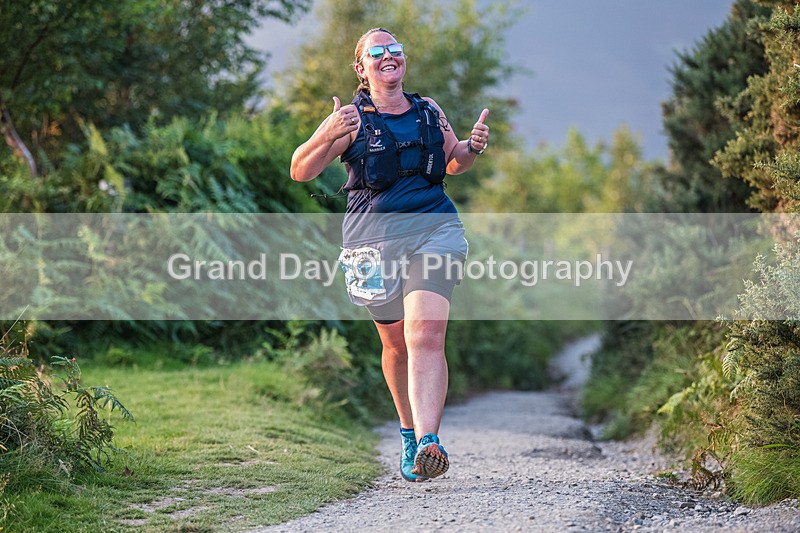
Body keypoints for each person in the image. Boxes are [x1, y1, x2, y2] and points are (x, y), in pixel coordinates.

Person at [290, 27, 490, 482]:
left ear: (403, 60)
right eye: (376, 52)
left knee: (424, 335)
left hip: (435, 229)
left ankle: (428, 441)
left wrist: (472, 148)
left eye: (394, 50)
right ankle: (407, 432)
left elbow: (453, 160)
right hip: (371, 244)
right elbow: (300, 171)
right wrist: (324, 133)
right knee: (395, 344)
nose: (388, 57)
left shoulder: (428, 110)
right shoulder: (352, 120)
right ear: (361, 68)